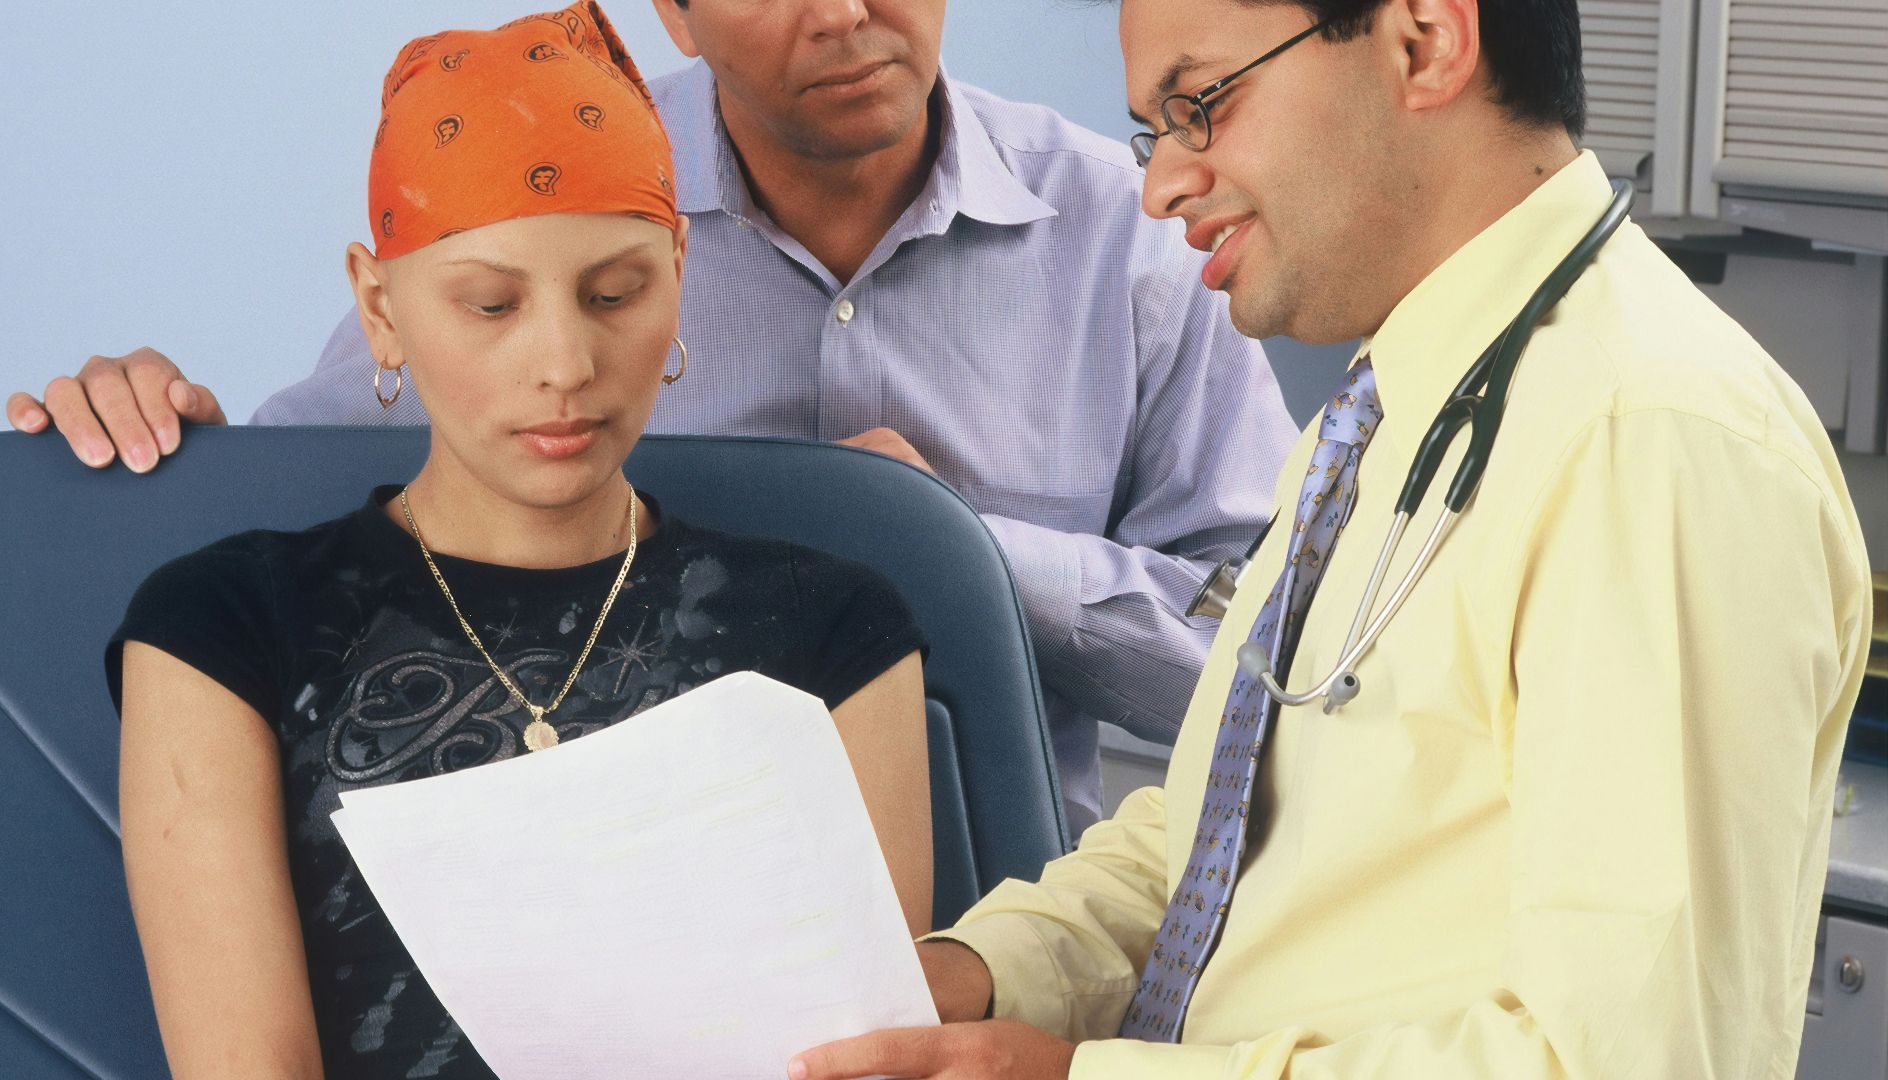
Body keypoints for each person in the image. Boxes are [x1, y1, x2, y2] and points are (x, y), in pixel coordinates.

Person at [787, 1, 1875, 1077]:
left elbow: (1633, 1063)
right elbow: (1230, 819)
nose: (1160, 187)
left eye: (1199, 104)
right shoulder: (1390, 404)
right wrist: (984, 972)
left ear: (1425, 44)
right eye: (1154, 131)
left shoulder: (1649, 439)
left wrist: (1079, 1079)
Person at [8, 0, 1301, 836]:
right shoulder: (560, 189)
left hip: (1010, 910)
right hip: (576, 868)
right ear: (673, 12)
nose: (847, 13)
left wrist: (949, 547)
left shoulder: (1137, 235)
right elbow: (305, 497)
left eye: (617, 297)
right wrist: (169, 441)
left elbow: (1279, 671)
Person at [109, 9, 930, 1076]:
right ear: (380, 308)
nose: (566, 364)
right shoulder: (223, 627)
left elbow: (866, 1054)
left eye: (616, 294)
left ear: (678, 272)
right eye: (492, 305)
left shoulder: (833, 627)